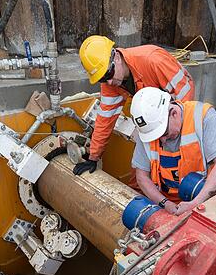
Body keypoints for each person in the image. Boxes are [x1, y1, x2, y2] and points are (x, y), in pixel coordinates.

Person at [74, 35, 195, 175]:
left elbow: (186, 97)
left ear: (117, 57)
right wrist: (93, 157)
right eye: (102, 79)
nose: (109, 82)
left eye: (108, 74)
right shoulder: (111, 83)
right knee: (140, 175)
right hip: (150, 126)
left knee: (175, 173)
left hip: (175, 123)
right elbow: (105, 121)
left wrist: (176, 136)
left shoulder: (153, 60)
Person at [129, 87, 216, 215]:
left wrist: (195, 204)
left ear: (174, 113)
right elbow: (141, 177)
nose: (163, 140)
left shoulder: (203, 116)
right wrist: (165, 203)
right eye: (156, 137)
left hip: (203, 199)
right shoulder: (148, 128)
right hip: (166, 202)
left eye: (164, 133)